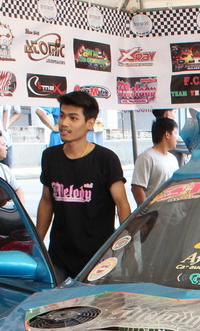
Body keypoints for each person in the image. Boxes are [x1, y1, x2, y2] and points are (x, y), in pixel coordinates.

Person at [36, 90, 130, 279]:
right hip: (58, 259)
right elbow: (46, 201)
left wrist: (126, 249)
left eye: (73, 118)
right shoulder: (50, 157)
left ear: (90, 123)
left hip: (99, 260)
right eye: (62, 116)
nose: (64, 123)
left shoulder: (106, 159)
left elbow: (122, 205)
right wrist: (36, 244)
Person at [131, 116, 180, 206]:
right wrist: (147, 211)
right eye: (175, 133)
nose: (177, 137)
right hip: (155, 213)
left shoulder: (173, 158)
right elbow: (137, 188)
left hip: (172, 211)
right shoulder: (146, 157)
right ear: (167, 134)